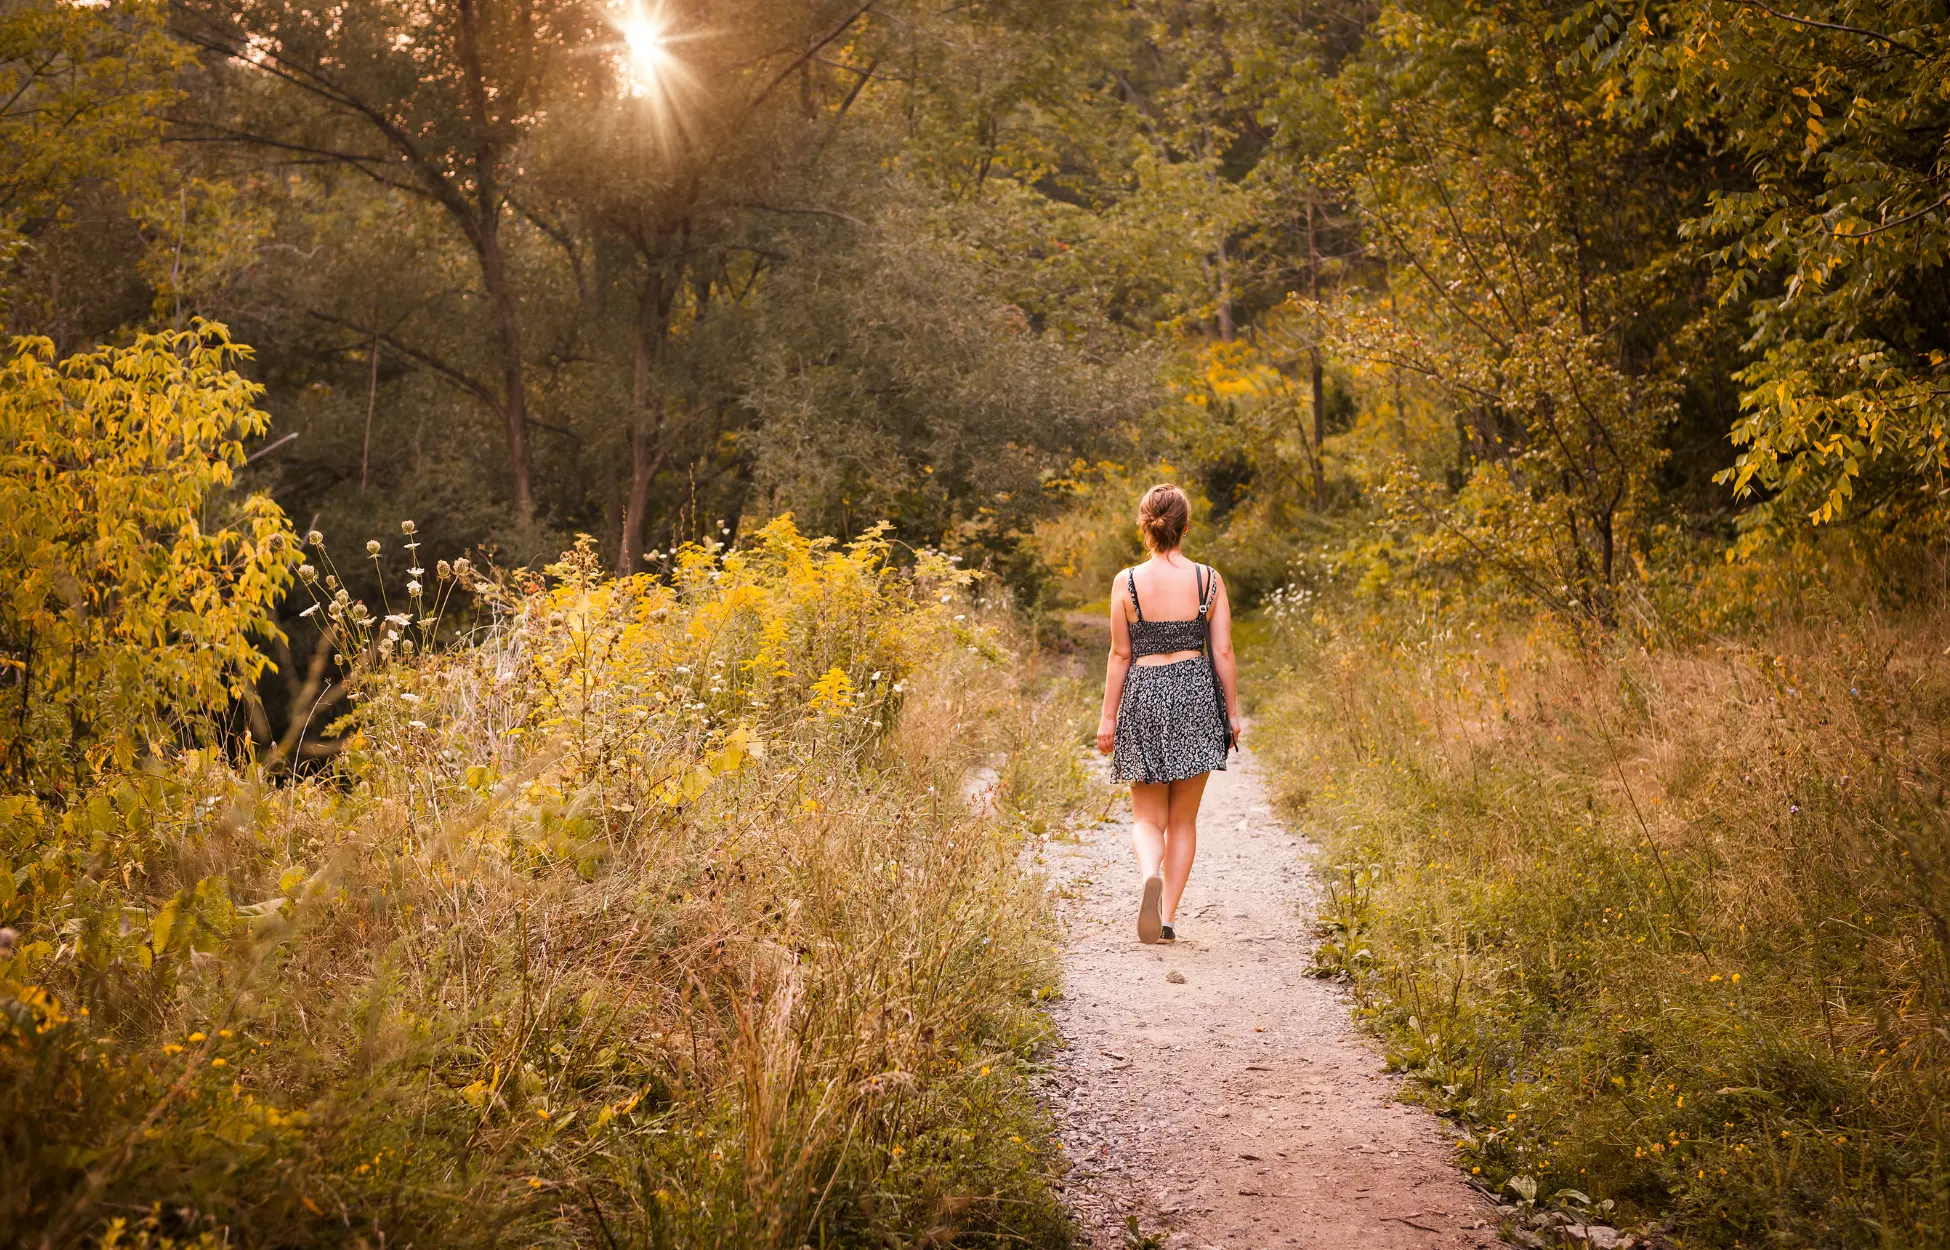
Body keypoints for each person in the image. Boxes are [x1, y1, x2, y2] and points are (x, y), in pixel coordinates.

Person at [1095, 483, 1240, 944]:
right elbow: (1223, 651)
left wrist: (1107, 720)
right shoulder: (1209, 580)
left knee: (1146, 817)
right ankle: (1168, 918)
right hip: (1195, 692)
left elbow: (1120, 654)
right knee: (1183, 821)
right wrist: (1232, 713)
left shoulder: (1126, 582)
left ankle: (1148, 877)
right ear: (1185, 526)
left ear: (1145, 525)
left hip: (1144, 691)